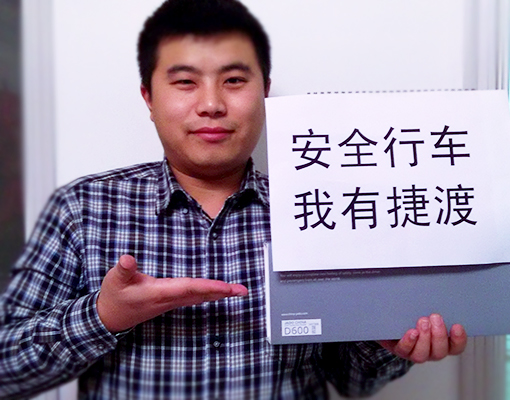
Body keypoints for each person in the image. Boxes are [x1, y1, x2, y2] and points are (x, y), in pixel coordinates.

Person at [0, 0, 467, 399]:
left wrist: (386, 346)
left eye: (235, 80)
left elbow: (350, 382)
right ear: (149, 97)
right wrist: (103, 316)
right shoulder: (83, 209)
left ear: (265, 91)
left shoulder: (321, 209)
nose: (211, 104)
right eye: (185, 82)